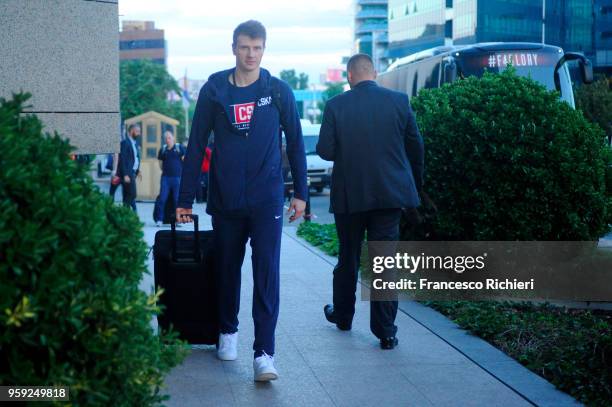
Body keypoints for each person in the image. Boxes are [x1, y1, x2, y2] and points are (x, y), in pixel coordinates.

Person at [175, 20, 308, 381]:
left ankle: (264, 353)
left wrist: (300, 194)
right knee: (226, 269)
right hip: (227, 200)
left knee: (267, 274)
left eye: (258, 48)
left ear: (264, 49)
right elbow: (197, 142)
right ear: (233, 47)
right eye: (245, 47)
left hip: (266, 201)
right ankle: (227, 331)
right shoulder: (215, 88)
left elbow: (295, 144)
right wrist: (184, 200)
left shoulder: (278, 91)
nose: (251, 54)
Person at [316, 53, 424, 350]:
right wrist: (414, 186)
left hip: (350, 196)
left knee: (348, 258)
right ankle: (386, 331)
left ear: (349, 76)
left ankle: (343, 316)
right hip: (390, 195)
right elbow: (416, 147)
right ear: (374, 73)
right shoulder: (399, 101)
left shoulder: (336, 106)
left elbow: (324, 150)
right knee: (384, 262)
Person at [155, 130, 185, 226]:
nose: (167, 140)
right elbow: (160, 164)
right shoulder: (163, 150)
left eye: (169, 137)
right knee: (162, 199)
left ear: (173, 138)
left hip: (177, 178)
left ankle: (178, 220)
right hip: (166, 178)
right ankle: (159, 219)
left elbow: (185, 161)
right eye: (166, 138)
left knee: (177, 199)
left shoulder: (179, 148)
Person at [117, 124, 141, 212]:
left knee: (128, 194)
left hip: (133, 172)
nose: (139, 133)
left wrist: (138, 170)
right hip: (128, 173)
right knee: (132, 194)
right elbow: (122, 159)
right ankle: (126, 210)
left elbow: (136, 158)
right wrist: (125, 174)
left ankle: (126, 212)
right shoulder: (125, 143)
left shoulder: (135, 143)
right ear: (131, 131)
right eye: (137, 131)